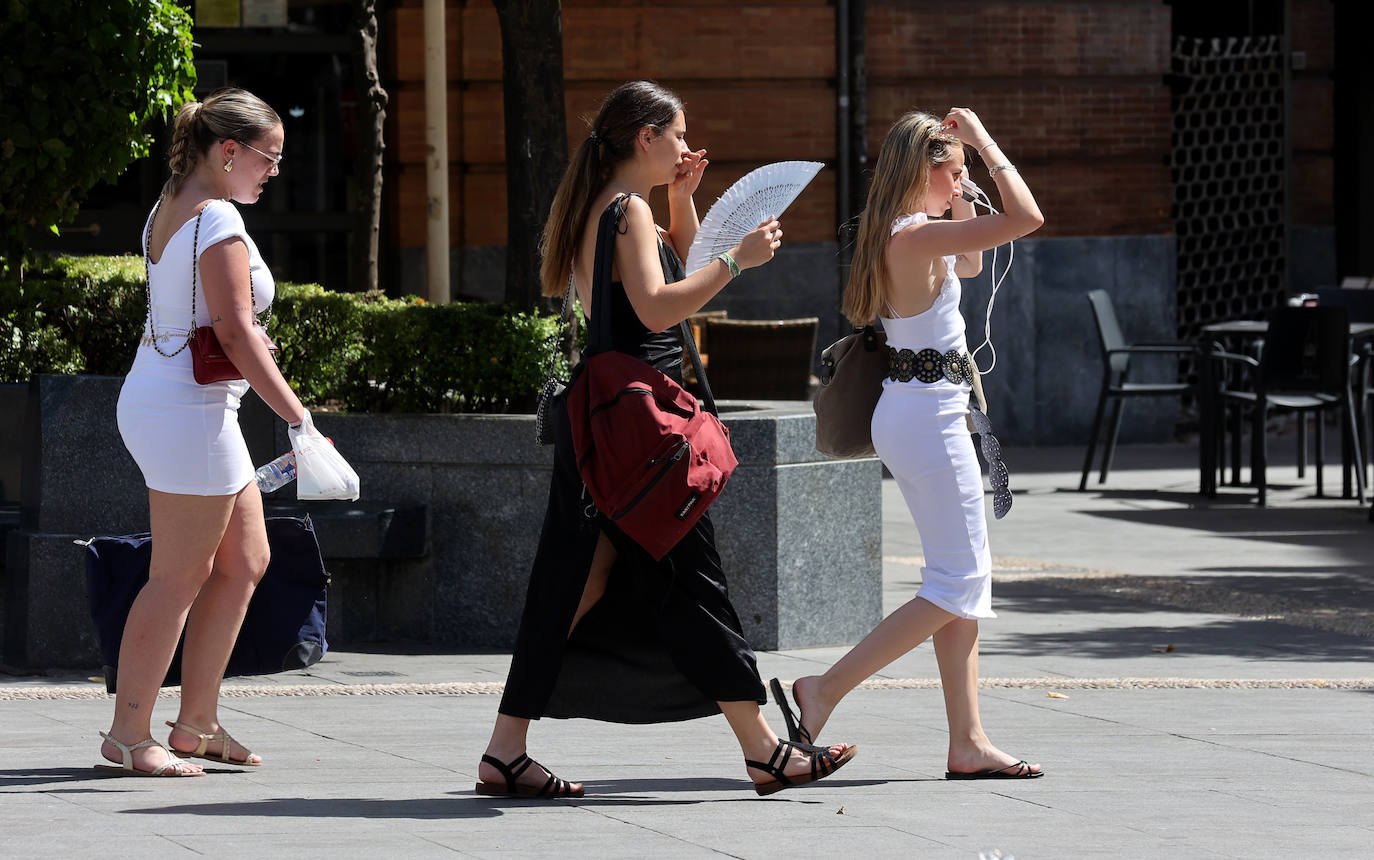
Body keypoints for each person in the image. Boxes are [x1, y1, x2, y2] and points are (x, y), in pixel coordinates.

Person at [477, 80, 857, 798]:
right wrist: (740, 259)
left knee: (572, 584)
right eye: (677, 136)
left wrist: (685, 200)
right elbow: (658, 309)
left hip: (607, 427)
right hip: (640, 438)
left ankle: (505, 749)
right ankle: (764, 751)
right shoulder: (623, 211)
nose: (686, 146)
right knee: (690, 582)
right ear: (644, 137)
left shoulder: (616, 208)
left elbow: (681, 266)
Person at [773, 108, 1046, 780]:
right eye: (951, 170)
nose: (961, 179)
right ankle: (823, 690)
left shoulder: (907, 231)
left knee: (960, 581)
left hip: (924, 408)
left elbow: (975, 263)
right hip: (928, 416)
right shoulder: (911, 234)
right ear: (922, 169)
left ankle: (968, 741)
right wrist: (985, 139)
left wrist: (962, 195)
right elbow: (1028, 218)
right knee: (958, 581)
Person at [99, 88, 308, 776]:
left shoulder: (171, 204)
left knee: (245, 560)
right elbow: (232, 328)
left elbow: (209, 323)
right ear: (228, 152)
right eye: (267, 157)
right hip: (187, 413)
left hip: (179, 402)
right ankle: (130, 735)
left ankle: (197, 722)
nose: (273, 171)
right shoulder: (216, 215)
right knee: (178, 577)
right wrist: (298, 417)